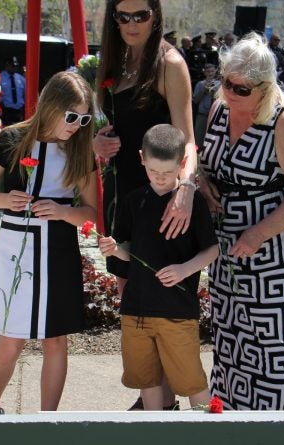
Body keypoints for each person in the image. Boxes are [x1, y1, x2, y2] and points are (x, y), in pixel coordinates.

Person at [199, 32, 284, 410]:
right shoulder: (221, 108)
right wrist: (204, 185)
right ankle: (227, 418)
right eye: (225, 82)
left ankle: (269, 425)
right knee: (227, 333)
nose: (231, 92)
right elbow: (208, 164)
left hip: (271, 247)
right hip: (227, 243)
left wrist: (259, 233)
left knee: (267, 343)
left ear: (265, 86)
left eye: (241, 88)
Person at [94, 0, 197, 411]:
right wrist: (98, 143)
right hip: (122, 197)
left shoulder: (169, 63)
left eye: (141, 15)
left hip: (160, 197)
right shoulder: (114, 61)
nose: (132, 23)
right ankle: (155, 395)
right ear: (113, 18)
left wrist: (186, 188)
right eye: (123, 15)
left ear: (156, 16)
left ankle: (163, 399)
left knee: (160, 301)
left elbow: (188, 137)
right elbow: (110, 128)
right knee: (132, 298)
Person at [0, 71, 97, 411]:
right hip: (16, 250)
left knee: (55, 339)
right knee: (10, 338)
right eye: (72, 116)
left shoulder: (80, 150)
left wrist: (61, 211)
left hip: (59, 250)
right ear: (51, 106)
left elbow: (91, 213)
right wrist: (7, 200)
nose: (77, 125)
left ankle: (48, 421)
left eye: (84, 118)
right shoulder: (11, 138)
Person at [98, 124, 219, 410]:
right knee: (148, 381)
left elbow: (212, 250)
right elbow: (130, 253)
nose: (161, 179)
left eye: (168, 172)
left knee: (193, 382)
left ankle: (211, 435)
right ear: (141, 158)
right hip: (136, 310)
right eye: (154, 172)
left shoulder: (193, 204)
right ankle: (154, 432)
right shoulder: (133, 201)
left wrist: (185, 269)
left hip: (176, 312)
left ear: (182, 163)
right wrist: (116, 249)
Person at [192, 63, 219, 144]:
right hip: (202, 116)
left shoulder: (219, 84)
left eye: (212, 71)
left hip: (215, 117)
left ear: (215, 72)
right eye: (208, 71)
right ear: (205, 73)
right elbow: (195, 101)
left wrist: (213, 93)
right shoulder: (200, 84)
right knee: (198, 141)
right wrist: (204, 90)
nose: (210, 73)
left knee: (211, 142)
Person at [0, 56, 26, 125]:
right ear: (7, 65)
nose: (15, 68)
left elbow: (25, 94)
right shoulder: (0, 78)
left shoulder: (21, 78)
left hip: (19, 112)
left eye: (16, 66)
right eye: (13, 66)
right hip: (6, 112)